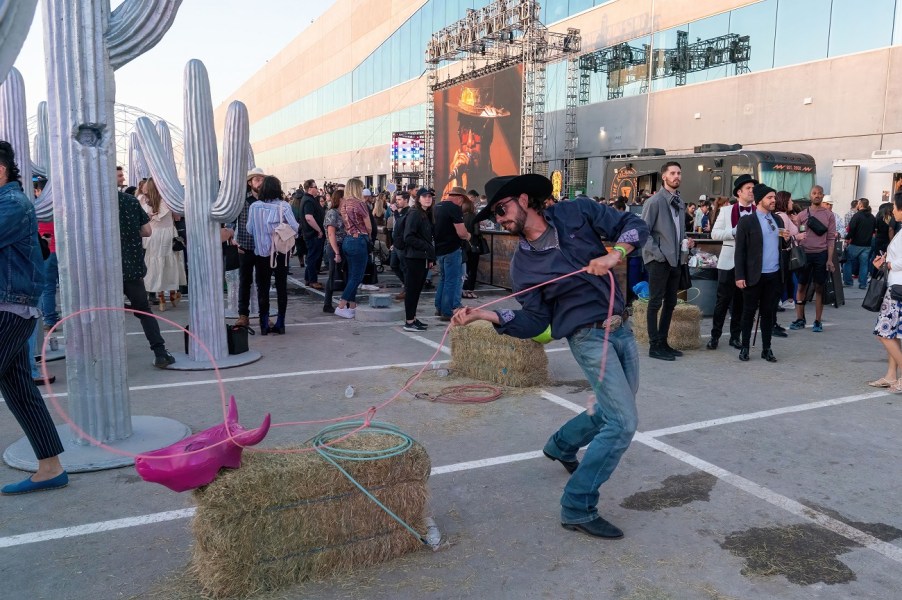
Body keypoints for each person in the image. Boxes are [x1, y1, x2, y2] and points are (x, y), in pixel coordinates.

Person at [451, 173, 648, 539]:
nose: (499, 219)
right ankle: (578, 506)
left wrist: (615, 254)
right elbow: (534, 321)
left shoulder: (576, 213)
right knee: (623, 422)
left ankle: (561, 445)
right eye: (493, 215)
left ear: (524, 200)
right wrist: (486, 315)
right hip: (588, 337)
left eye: (502, 209)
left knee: (611, 410)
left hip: (621, 326)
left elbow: (633, 224)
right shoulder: (523, 266)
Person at [0, 141, 68, 495]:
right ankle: (50, 467)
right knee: (20, 392)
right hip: (12, 308)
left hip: (9, 309)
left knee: (20, 390)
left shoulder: (12, 204)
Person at [641, 161, 692, 360]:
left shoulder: (679, 201)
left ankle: (663, 342)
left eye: (679, 173)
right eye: (672, 173)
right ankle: (654, 345)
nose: (676, 176)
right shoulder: (655, 202)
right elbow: (643, 232)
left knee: (670, 302)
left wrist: (686, 243)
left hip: (676, 259)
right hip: (659, 260)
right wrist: (659, 254)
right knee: (655, 302)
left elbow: (679, 230)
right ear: (664, 176)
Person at [734, 184, 789, 362]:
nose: (774, 200)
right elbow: (740, 251)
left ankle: (767, 348)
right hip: (753, 275)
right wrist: (739, 275)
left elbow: (782, 246)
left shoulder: (778, 220)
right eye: (769, 197)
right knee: (748, 313)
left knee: (768, 313)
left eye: (774, 197)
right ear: (759, 200)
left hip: (774, 274)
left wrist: (786, 240)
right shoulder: (747, 221)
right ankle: (745, 347)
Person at [708, 175, 758, 350]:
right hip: (728, 262)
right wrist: (734, 232)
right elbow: (715, 234)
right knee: (722, 302)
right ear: (739, 192)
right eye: (748, 188)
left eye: (753, 188)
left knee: (740, 303)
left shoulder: (757, 212)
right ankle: (714, 336)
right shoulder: (726, 211)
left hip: (748, 264)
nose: (752, 191)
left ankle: (735, 337)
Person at [246, 176, 299, 335]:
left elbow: (249, 229)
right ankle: (280, 323)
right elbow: (295, 227)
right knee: (282, 287)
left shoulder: (254, 207)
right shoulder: (284, 206)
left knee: (262, 288)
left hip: (261, 253)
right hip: (281, 252)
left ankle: (264, 324)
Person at [791, 185, 836, 333]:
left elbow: (831, 238)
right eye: (814, 193)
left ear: (823, 196)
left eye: (819, 193)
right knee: (801, 286)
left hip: (821, 255)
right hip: (804, 255)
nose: (817, 195)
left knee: (819, 288)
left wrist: (829, 259)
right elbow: (796, 235)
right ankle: (800, 318)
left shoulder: (829, 215)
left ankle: (818, 321)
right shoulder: (802, 215)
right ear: (810, 195)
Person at [869, 193, 902, 392]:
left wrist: (888, 264)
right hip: (896, 286)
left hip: (898, 288)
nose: (893, 211)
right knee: (893, 333)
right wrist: (885, 262)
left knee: (884, 333)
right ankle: (891, 375)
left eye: (895, 207)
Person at [138, 178, 185, 311]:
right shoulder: (168, 201)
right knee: (170, 263)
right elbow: (178, 217)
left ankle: (161, 297)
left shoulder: (142, 200)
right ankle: (172, 293)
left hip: (152, 235)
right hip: (167, 234)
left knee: (155, 265)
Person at [334, 178, 372, 319]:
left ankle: (352, 306)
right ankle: (341, 306)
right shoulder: (360, 203)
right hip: (359, 240)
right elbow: (368, 226)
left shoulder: (343, 203)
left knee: (352, 275)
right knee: (357, 276)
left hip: (347, 240)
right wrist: (368, 235)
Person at [433, 186, 472, 321]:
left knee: (443, 279)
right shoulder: (454, 208)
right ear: (460, 198)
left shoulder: (437, 206)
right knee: (452, 281)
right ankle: (448, 310)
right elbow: (461, 233)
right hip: (451, 249)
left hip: (439, 249)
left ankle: (439, 307)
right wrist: (468, 235)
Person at [234, 168, 265, 328]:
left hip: (264, 248)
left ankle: (263, 316)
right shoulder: (242, 200)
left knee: (263, 283)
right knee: (245, 282)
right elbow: (232, 220)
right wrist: (234, 240)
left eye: (262, 179)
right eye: (257, 179)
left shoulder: (268, 200)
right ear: (250, 182)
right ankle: (243, 315)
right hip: (245, 246)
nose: (260, 183)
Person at [402, 188, 435, 331]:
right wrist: (427, 247)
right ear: (418, 199)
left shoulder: (425, 213)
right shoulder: (415, 213)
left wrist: (430, 255)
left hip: (421, 257)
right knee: (412, 290)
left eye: (430, 197)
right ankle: (409, 321)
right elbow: (408, 237)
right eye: (424, 196)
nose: (428, 199)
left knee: (416, 290)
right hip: (414, 257)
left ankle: (413, 318)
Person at [33, 177, 59, 330]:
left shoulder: (38, 209)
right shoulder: (59, 206)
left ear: (38, 191)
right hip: (62, 252)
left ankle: (49, 319)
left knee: (48, 287)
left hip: (47, 253)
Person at [322, 189, 347, 313]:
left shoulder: (341, 212)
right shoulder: (332, 213)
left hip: (343, 245)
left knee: (343, 273)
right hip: (334, 246)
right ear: (340, 199)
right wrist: (336, 252)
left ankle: (346, 301)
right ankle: (327, 304)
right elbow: (331, 234)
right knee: (333, 274)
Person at [843, 198, 876, 289]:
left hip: (856, 244)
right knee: (864, 264)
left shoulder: (857, 216)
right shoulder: (872, 217)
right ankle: (862, 284)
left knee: (847, 261)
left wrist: (847, 238)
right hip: (867, 245)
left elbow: (852, 229)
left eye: (858, 203)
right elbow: (874, 230)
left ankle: (848, 281)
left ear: (860, 205)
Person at [299, 179, 325, 290]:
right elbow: (309, 217)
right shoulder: (308, 200)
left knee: (312, 256)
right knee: (313, 258)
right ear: (309, 188)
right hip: (313, 234)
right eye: (315, 187)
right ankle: (313, 280)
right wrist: (319, 230)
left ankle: (308, 278)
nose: (317, 189)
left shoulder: (309, 199)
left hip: (312, 233)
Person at [461, 195, 483, 299]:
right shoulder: (474, 217)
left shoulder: (460, 217)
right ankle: (470, 290)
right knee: (473, 270)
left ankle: (463, 289)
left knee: (464, 269)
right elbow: (477, 232)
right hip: (473, 246)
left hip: (463, 246)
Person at [390, 191, 410, 301]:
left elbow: (401, 225)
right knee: (393, 265)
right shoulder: (400, 211)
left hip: (403, 245)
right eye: (396, 199)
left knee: (405, 267)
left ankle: (407, 289)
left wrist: (395, 213)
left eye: (399, 199)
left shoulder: (408, 212)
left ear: (406, 200)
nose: (397, 202)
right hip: (397, 244)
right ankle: (406, 284)